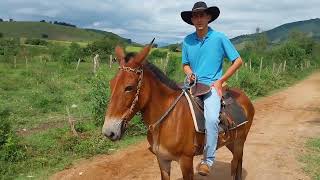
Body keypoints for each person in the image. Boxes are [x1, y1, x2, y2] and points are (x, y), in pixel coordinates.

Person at [180, 1, 243, 176]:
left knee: (211, 119)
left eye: (202, 15)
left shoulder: (219, 37)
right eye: (195, 16)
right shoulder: (187, 40)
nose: (199, 19)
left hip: (211, 86)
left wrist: (221, 80)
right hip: (192, 85)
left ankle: (207, 160)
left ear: (209, 17)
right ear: (192, 19)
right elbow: (185, 64)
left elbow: (238, 61)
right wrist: (190, 73)